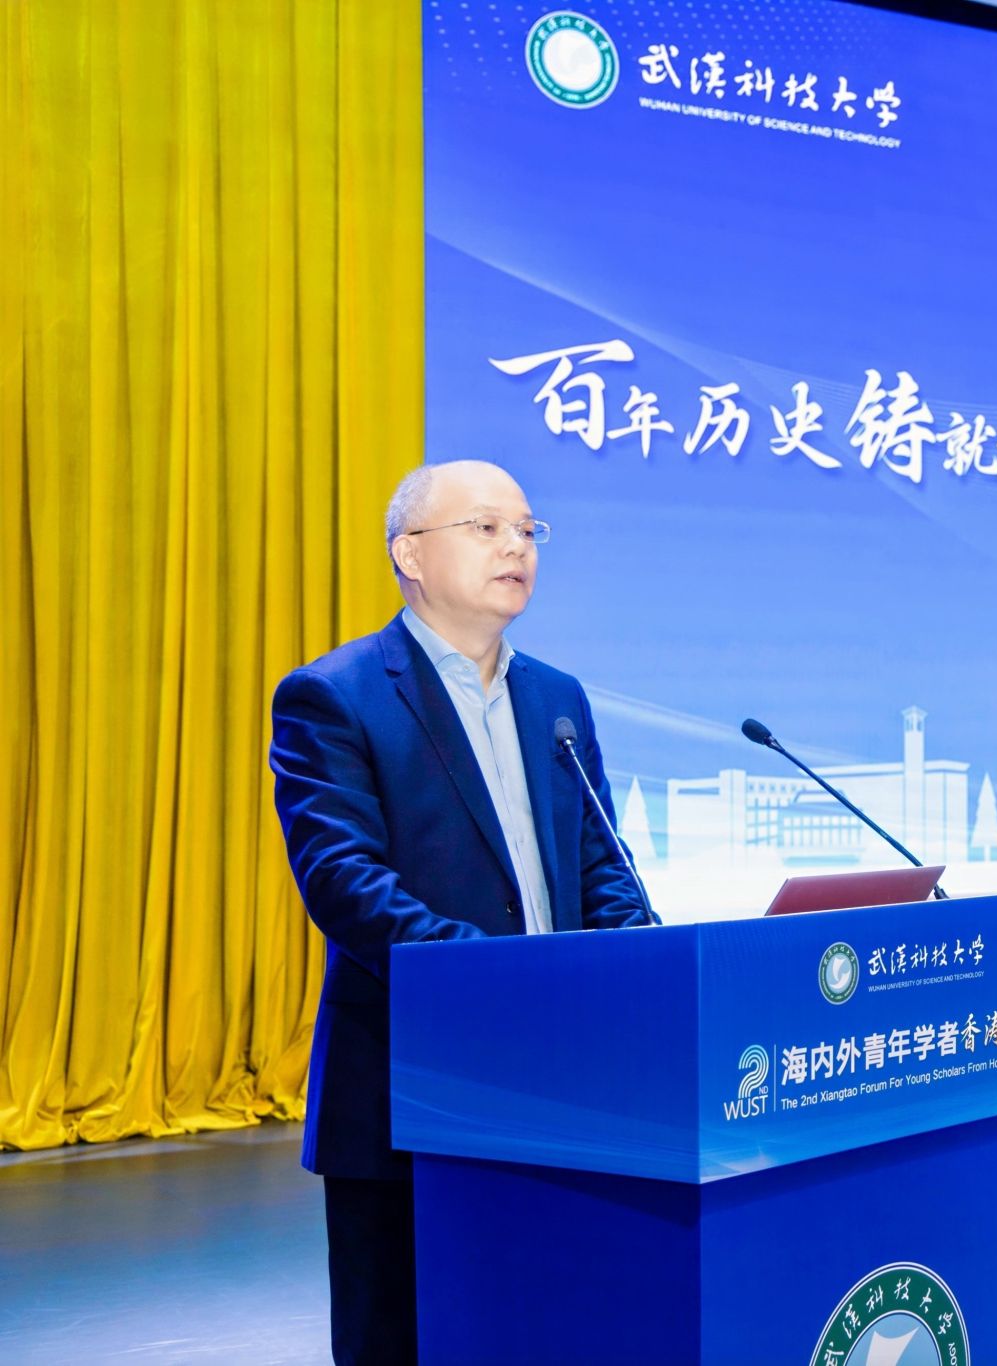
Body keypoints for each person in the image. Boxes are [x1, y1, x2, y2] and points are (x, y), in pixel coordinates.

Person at [269, 459, 655, 1364]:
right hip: (409, 1090)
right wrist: (498, 980)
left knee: (552, 1331)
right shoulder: (335, 696)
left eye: (527, 530)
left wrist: (644, 961)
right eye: (486, 527)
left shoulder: (556, 698)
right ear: (409, 553)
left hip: (566, 1084)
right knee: (405, 1340)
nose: (516, 546)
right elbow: (344, 883)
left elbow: (599, 865)